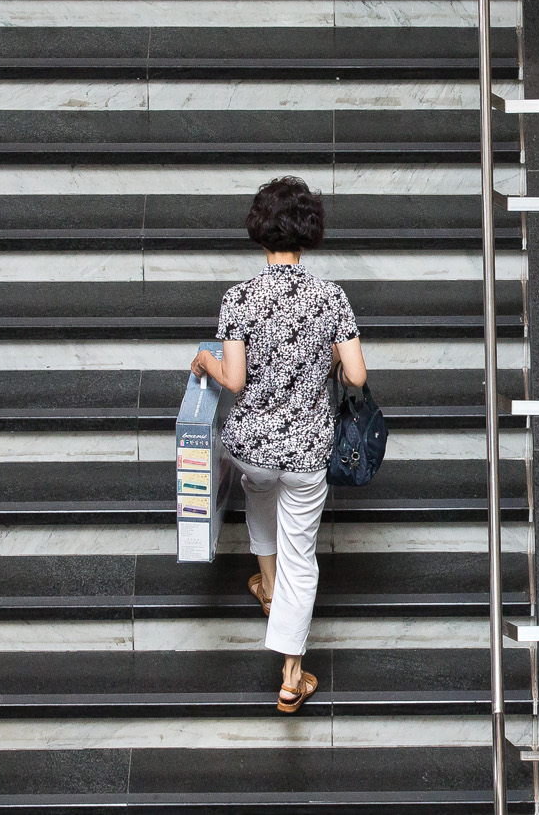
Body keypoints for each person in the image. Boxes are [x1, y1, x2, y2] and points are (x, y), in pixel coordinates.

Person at [192, 176, 367, 713]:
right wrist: (328, 360)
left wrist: (204, 361)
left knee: (259, 499)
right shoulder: (330, 297)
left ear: (259, 230)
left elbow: (237, 380)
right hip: (308, 450)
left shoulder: (239, 298)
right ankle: (292, 673)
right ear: (309, 231)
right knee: (302, 555)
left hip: (253, 446)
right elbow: (357, 377)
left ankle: (267, 589)